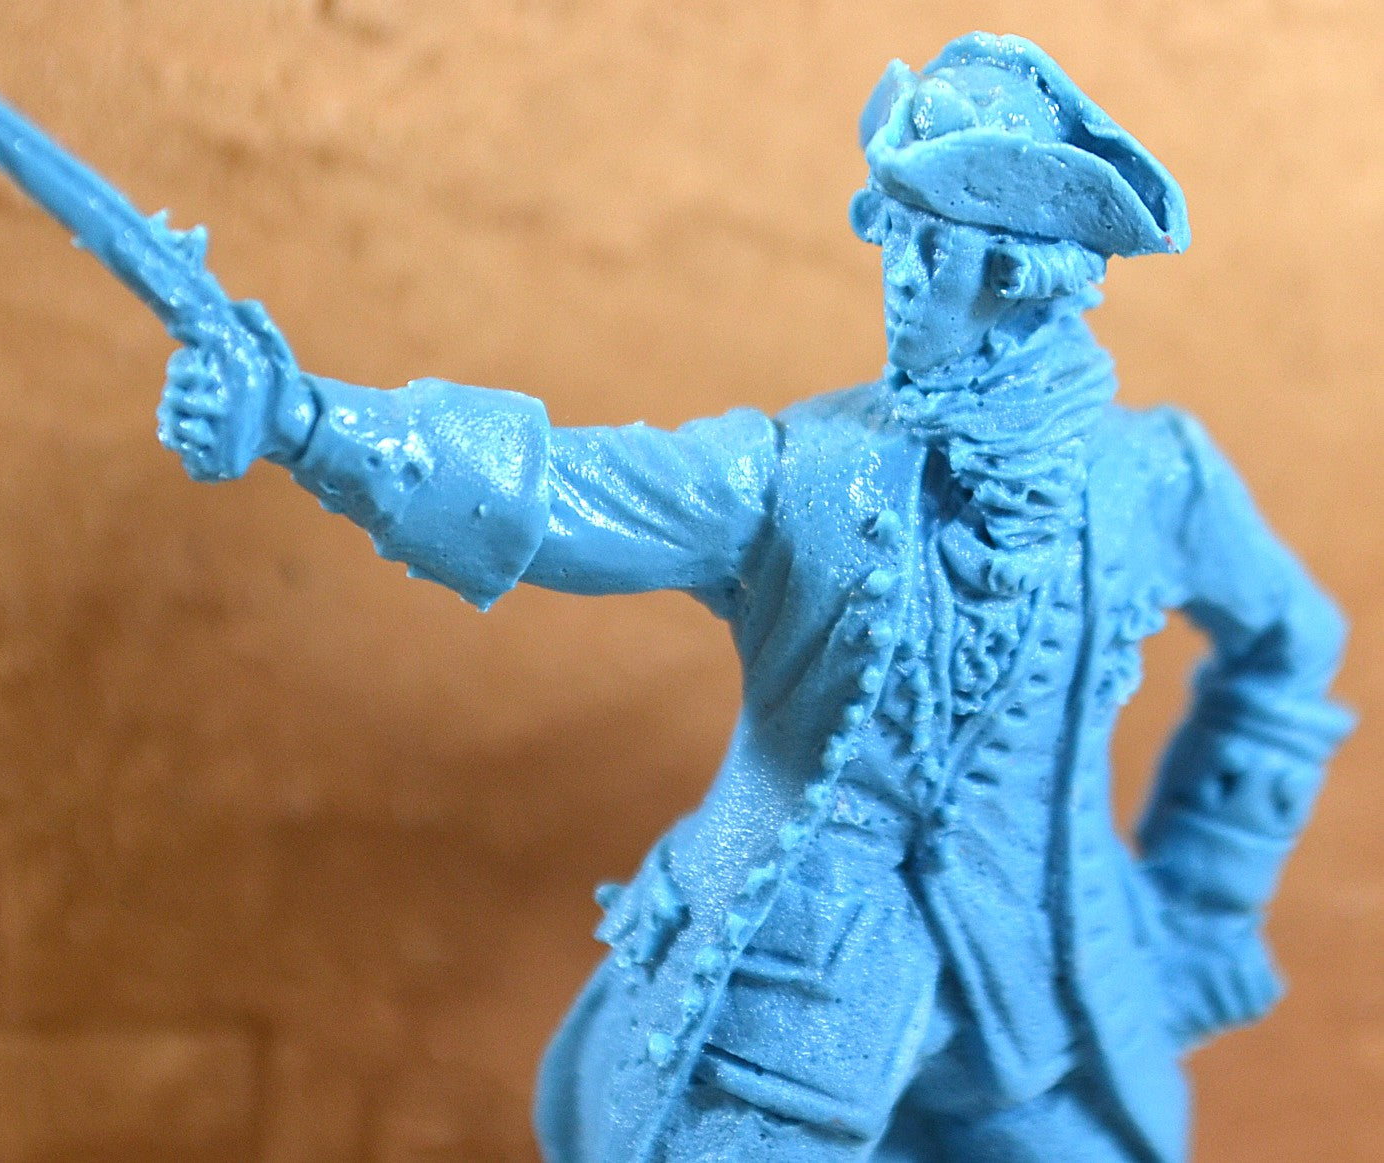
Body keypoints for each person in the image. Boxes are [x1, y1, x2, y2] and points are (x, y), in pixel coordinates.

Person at [158, 32, 1352, 1163]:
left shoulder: (1154, 478)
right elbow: (564, 486)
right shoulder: (802, 473)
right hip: (796, 989)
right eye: (891, 236)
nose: (896, 278)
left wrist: (1207, 901)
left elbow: (1292, 643)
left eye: (930, 249)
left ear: (1015, 276)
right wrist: (306, 421)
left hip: (1043, 986)